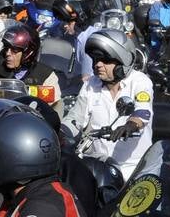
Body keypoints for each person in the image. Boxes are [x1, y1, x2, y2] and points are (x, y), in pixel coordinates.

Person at [63, 29, 153, 180]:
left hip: (134, 169)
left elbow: (143, 112)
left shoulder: (140, 81)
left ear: (122, 60)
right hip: (99, 167)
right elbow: (75, 118)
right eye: (95, 59)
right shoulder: (91, 84)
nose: (98, 65)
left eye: (105, 60)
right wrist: (60, 132)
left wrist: (130, 125)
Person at [0, 22, 62, 113]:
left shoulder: (45, 75)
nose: (8, 53)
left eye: (14, 50)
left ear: (27, 53)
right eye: (7, 48)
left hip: (32, 125)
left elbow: (54, 110)